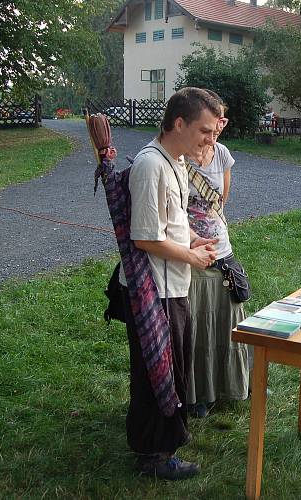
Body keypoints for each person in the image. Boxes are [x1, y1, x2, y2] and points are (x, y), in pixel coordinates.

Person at [119, 87, 222, 480]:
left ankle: (164, 436)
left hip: (174, 286)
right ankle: (153, 455)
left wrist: (192, 241)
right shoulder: (151, 166)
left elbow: (167, 224)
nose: (211, 141)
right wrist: (191, 257)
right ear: (178, 123)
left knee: (172, 367)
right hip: (153, 292)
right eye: (205, 131)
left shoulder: (174, 161)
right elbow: (144, 237)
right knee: (154, 372)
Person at [184, 96, 249, 418]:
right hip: (190, 253)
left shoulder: (222, 154)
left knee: (229, 320)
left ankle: (231, 384)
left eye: (222, 122)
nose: (217, 129)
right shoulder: (180, 156)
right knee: (198, 324)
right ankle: (198, 394)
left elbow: (221, 201)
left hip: (222, 250)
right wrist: (192, 241)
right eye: (213, 123)